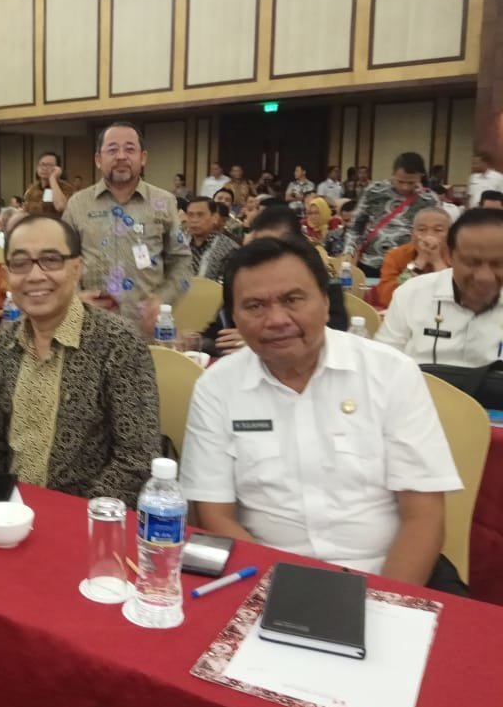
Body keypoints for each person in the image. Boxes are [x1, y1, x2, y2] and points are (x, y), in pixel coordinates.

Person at [180, 235, 462, 588]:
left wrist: (382, 602)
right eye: (255, 306)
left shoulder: (391, 372)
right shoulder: (217, 386)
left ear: (326, 302)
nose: (276, 319)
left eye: (292, 299)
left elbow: (423, 517)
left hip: (385, 574)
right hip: (264, 574)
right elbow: (214, 515)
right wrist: (282, 593)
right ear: (233, 317)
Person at [0, 215, 160, 504]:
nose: (35, 276)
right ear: (7, 275)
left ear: (76, 268)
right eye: (20, 263)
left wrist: (69, 516)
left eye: (51, 260)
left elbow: (137, 459)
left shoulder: (118, 343)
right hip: (10, 514)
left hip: (85, 516)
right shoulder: (3, 345)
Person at [61, 121, 192, 336]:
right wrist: (75, 299)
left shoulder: (163, 202)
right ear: (98, 159)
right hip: (90, 326)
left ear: (143, 158)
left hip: (145, 329)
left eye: (130, 149)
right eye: (112, 150)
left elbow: (182, 261)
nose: (121, 156)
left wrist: (162, 301)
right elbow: (61, 260)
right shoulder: (78, 204)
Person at [201, 205, 348, 357]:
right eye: (259, 247)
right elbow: (217, 332)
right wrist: (198, 342)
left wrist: (259, 342)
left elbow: (336, 334)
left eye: (292, 300)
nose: (267, 254)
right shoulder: (246, 280)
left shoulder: (320, 279)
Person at [376, 208, 503, 367]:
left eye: (498, 264)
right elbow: (382, 363)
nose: (484, 277)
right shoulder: (410, 293)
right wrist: (420, 261)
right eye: (472, 262)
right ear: (451, 254)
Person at [343, 152, 439, 278]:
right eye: (400, 181)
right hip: (371, 263)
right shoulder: (375, 191)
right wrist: (348, 252)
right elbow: (355, 227)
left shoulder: (429, 200)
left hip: (409, 267)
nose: (405, 187)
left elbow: (434, 235)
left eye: (411, 183)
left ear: (420, 176)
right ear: (393, 173)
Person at [374, 207, 451, 308]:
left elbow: (455, 295)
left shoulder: (459, 256)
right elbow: (387, 298)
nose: (429, 236)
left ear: (451, 234)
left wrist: (437, 260)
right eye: (422, 230)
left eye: (438, 230)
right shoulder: (396, 255)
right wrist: (419, 261)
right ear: (412, 233)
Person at [185, 197, 239, 281]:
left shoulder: (229, 248)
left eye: (200, 215)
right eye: (190, 215)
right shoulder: (179, 244)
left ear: (214, 217)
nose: (194, 220)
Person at [23, 151, 73, 215]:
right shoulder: (32, 189)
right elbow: (25, 211)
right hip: (34, 220)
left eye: (49, 165)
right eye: (42, 164)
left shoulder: (66, 188)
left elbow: (61, 207)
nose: (44, 168)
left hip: (55, 221)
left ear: (57, 169)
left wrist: (52, 178)